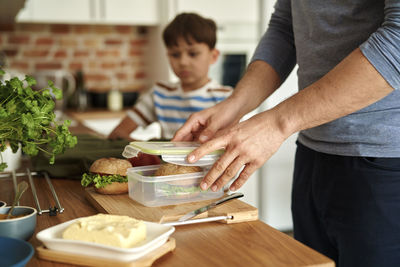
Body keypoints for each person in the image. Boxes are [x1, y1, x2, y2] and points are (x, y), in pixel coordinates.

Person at [173, 1, 400, 266]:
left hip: (383, 162)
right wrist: (235, 105)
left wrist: (278, 123)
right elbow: (285, 28)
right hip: (311, 152)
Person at [108, 13, 232, 141]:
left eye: (193, 54)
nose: (183, 62)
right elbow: (118, 134)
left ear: (213, 56)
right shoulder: (159, 94)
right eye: (175, 54)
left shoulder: (227, 99)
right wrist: (150, 152)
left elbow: (231, 144)